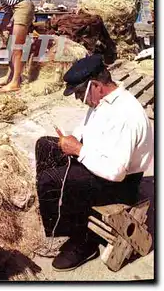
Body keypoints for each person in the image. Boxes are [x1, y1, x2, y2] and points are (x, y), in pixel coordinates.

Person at [35, 54, 153, 271]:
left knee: (49, 180)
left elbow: (116, 172)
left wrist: (78, 151)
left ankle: (83, 240)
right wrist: (71, 142)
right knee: (45, 145)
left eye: (80, 93)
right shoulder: (102, 102)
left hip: (120, 184)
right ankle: (61, 216)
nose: (79, 99)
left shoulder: (126, 114)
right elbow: (87, 132)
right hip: (101, 165)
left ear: (96, 85)